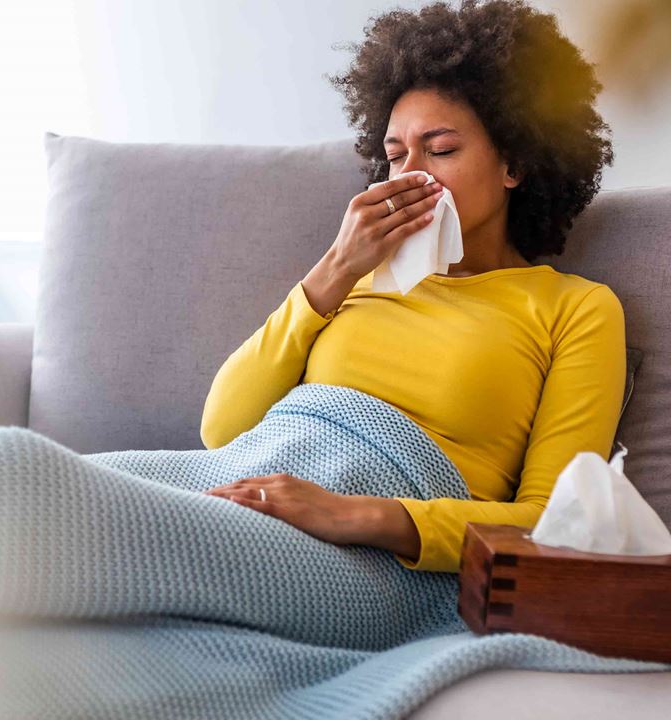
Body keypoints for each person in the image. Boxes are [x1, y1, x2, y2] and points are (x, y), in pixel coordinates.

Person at [199, 0, 626, 574]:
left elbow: (552, 521)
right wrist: (337, 267)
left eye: (442, 150)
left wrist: (356, 516)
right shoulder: (356, 276)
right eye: (395, 156)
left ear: (515, 164)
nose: (411, 175)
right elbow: (222, 430)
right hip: (240, 491)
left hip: (365, 558)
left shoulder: (574, 309)